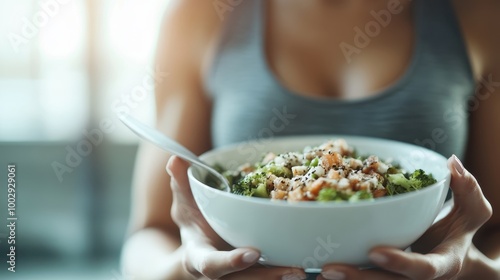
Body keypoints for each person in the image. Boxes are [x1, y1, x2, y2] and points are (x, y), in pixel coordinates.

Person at [121, 0, 500, 279]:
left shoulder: (479, 15)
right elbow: (148, 237)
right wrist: (187, 269)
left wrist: (475, 271)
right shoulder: (198, 15)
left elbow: (495, 232)